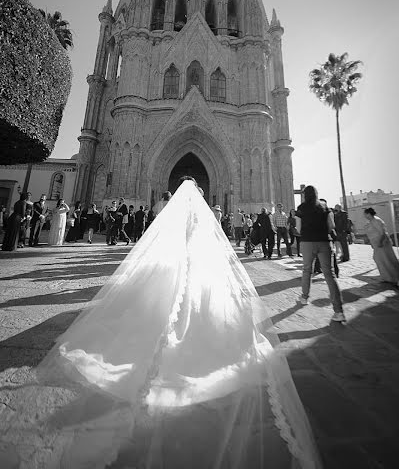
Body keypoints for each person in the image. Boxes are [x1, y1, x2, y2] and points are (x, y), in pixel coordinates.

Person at [17, 177, 322, 469]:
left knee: (165, 303)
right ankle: (194, 340)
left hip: (176, 265)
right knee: (198, 302)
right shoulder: (203, 219)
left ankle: (163, 342)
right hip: (198, 264)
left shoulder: (175, 217)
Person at [296, 185, 345, 322]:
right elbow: (331, 226)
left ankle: (304, 297)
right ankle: (339, 311)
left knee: (307, 270)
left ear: (305, 195)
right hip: (324, 242)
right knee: (329, 274)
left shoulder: (301, 208)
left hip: (307, 242)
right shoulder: (325, 207)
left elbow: (298, 229)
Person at [364, 207, 399, 286]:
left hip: (382, 243)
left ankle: (393, 277)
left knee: (386, 260)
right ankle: (387, 277)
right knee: (380, 260)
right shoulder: (371, 221)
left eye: (365, 214)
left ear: (369, 214)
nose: (365, 216)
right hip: (376, 244)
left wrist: (380, 242)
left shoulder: (376, 220)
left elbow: (382, 232)